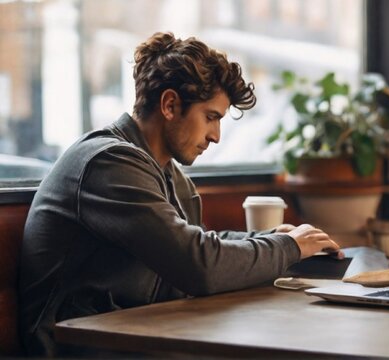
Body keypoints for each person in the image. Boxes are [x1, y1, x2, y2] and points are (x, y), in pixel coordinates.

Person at [18, 32, 341, 356]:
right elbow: (197, 265)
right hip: (73, 349)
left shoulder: (169, 175)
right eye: (211, 117)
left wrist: (266, 237)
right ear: (170, 104)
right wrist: (285, 248)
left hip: (134, 336)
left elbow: (193, 243)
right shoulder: (108, 163)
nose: (215, 136)